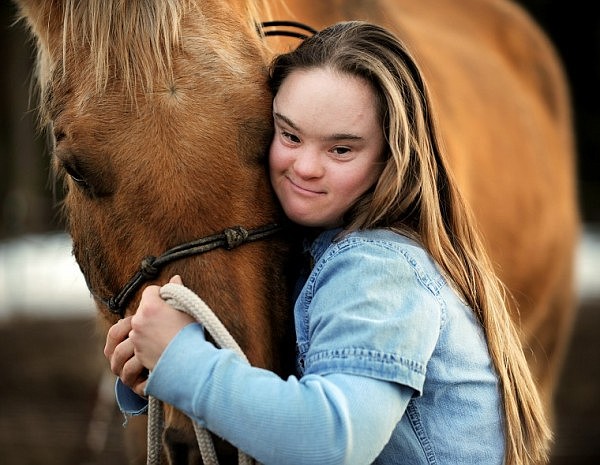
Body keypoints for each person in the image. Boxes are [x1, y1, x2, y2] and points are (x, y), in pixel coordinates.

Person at [105, 21, 551, 464]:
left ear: (392, 158)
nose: (305, 167)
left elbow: (332, 442)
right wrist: (160, 366)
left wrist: (184, 361)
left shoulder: (376, 267)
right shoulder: (316, 251)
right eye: (290, 135)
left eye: (341, 150)